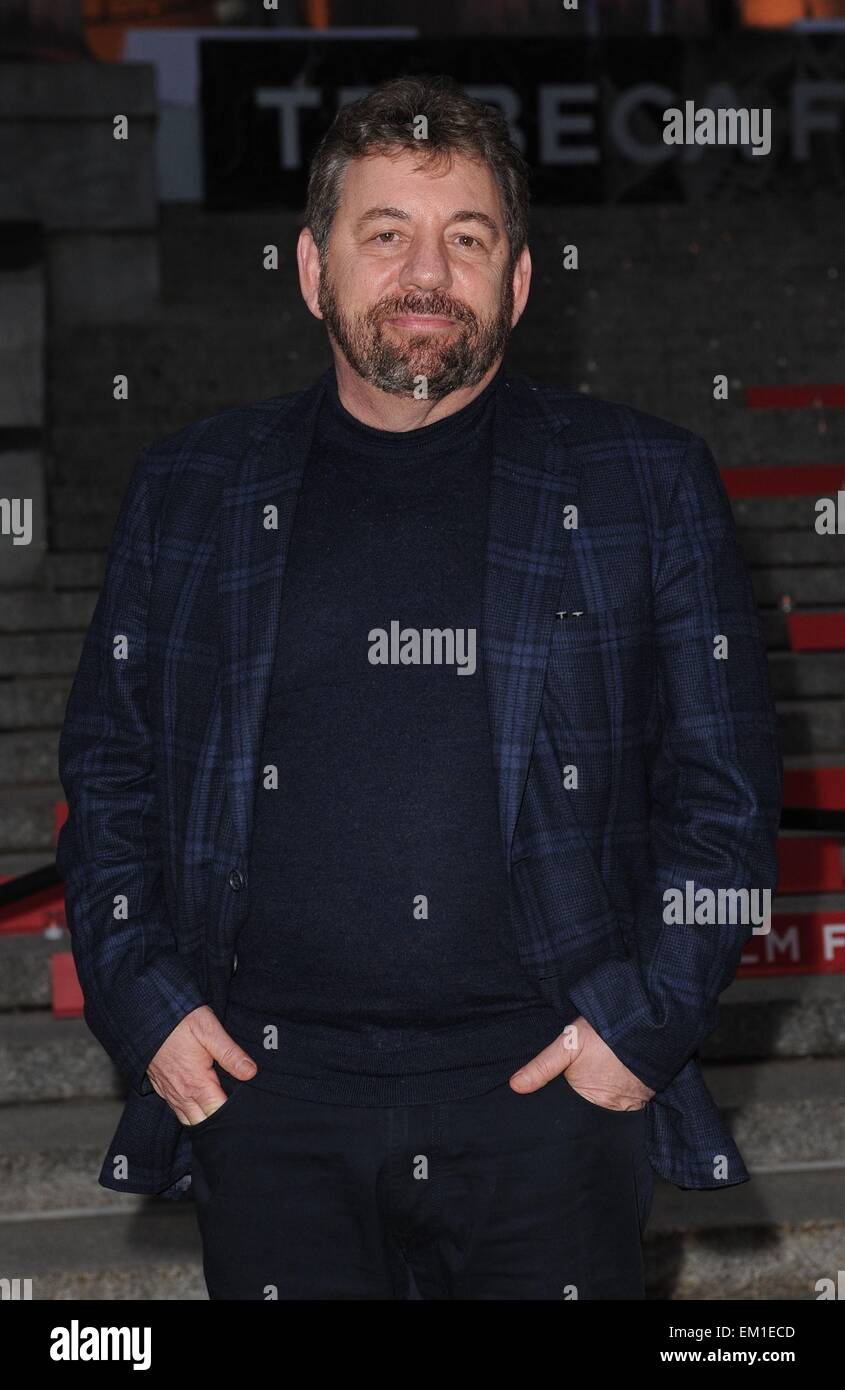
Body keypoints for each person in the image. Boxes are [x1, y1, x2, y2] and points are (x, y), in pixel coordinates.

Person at [56, 74, 782, 1300]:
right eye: (383, 233)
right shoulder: (190, 489)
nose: (424, 273)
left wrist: (637, 1032)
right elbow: (109, 775)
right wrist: (150, 1010)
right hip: (264, 1102)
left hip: (546, 1105)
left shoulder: (641, 485)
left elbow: (723, 797)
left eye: (465, 238)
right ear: (309, 269)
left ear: (518, 277)